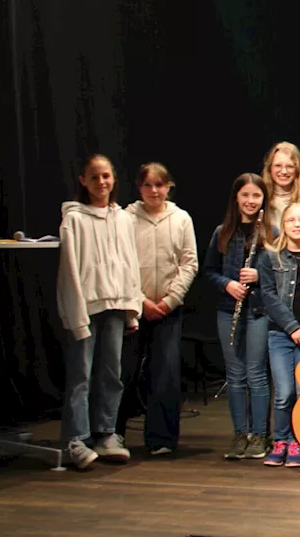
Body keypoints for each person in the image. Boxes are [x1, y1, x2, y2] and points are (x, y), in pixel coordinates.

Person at [57, 154, 142, 470]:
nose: (102, 183)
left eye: (106, 176)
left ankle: (106, 433)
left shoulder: (122, 218)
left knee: (111, 374)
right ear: (83, 180)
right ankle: (76, 439)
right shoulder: (74, 219)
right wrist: (77, 314)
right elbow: (70, 271)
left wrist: (133, 309)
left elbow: (129, 263)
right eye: (95, 177)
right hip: (88, 307)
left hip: (116, 306)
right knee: (81, 375)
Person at [116, 162, 198, 458]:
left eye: (159, 185)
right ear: (140, 187)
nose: (154, 191)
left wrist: (169, 301)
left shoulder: (181, 219)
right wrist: (140, 301)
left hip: (168, 309)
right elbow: (120, 264)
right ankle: (113, 434)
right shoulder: (125, 218)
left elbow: (190, 263)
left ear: (169, 186)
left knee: (164, 373)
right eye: (148, 185)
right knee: (123, 371)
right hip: (132, 308)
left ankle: (161, 437)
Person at [202, 173, 274, 461]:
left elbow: (283, 275)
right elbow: (208, 272)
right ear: (237, 198)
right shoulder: (222, 232)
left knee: (256, 374)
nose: (250, 201)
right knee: (234, 374)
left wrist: (260, 275)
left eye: (256, 196)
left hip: (258, 310)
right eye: (245, 195)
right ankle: (239, 433)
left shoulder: (271, 234)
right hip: (228, 309)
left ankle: (259, 435)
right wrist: (227, 284)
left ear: (263, 200)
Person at [257, 202, 300, 469]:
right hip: (281, 334)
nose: (296, 224)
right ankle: (280, 440)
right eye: (291, 220)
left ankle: (298, 441)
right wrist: (293, 329)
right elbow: (269, 297)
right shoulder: (271, 257)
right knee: (284, 392)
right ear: (284, 225)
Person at [262, 142, 300, 228]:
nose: (284, 171)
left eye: (290, 166)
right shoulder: (261, 199)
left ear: (298, 169)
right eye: (278, 166)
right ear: (270, 168)